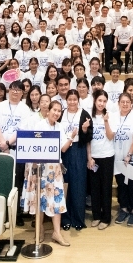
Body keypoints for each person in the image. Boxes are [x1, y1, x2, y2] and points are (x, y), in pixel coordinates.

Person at [21, 99, 71, 246]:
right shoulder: (39, 125)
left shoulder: (60, 127)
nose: (56, 113)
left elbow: (63, 149)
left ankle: (57, 232)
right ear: (48, 111)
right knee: (40, 199)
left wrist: (72, 136)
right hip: (40, 168)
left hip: (54, 169)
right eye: (54, 110)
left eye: (59, 111)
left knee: (56, 199)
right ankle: (40, 229)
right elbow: (34, 147)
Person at [0, 80, 33, 225]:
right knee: (0, 180)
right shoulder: (0, 106)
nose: (15, 92)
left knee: (18, 181)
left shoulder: (25, 109)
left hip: (17, 149)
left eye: (18, 90)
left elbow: (22, 130)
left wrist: (8, 143)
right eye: (13, 89)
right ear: (9, 90)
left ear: (22, 93)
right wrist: (3, 144)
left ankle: (16, 214)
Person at [60, 90, 92, 231]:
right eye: (70, 99)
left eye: (75, 99)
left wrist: (84, 130)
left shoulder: (84, 114)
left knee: (78, 185)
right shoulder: (61, 113)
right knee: (64, 184)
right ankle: (65, 219)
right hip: (63, 151)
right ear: (66, 100)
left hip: (78, 151)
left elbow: (89, 138)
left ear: (78, 100)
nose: (72, 102)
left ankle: (78, 219)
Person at [87, 89, 116, 229]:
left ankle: (106, 218)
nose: (101, 103)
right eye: (99, 100)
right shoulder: (88, 116)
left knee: (106, 188)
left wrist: (106, 122)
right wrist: (89, 157)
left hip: (107, 156)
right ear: (94, 100)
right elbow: (87, 139)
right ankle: (96, 216)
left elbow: (110, 136)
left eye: (104, 101)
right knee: (95, 188)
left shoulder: (110, 116)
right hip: (94, 157)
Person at [112, 92, 133, 227]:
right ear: (118, 103)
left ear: (131, 103)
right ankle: (123, 209)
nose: (125, 104)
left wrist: (129, 154)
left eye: (127, 102)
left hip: (132, 156)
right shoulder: (114, 117)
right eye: (122, 102)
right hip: (118, 156)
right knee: (121, 184)